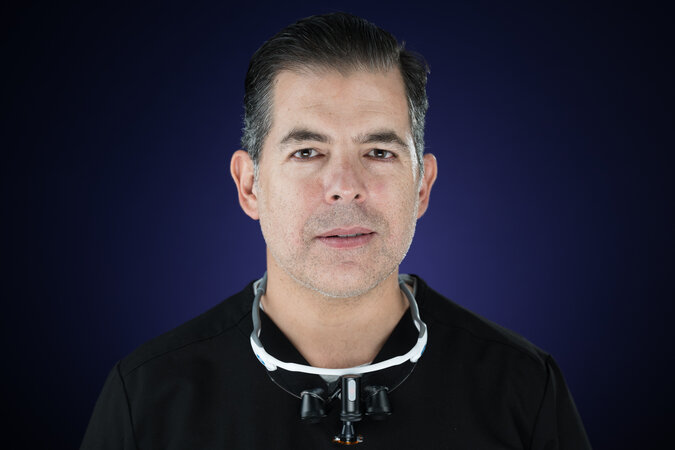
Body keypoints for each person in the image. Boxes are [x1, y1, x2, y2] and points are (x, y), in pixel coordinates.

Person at [81, 12, 591, 449]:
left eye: (379, 152)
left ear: (422, 186)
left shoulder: (524, 388)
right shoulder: (146, 399)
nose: (346, 187)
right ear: (250, 185)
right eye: (307, 151)